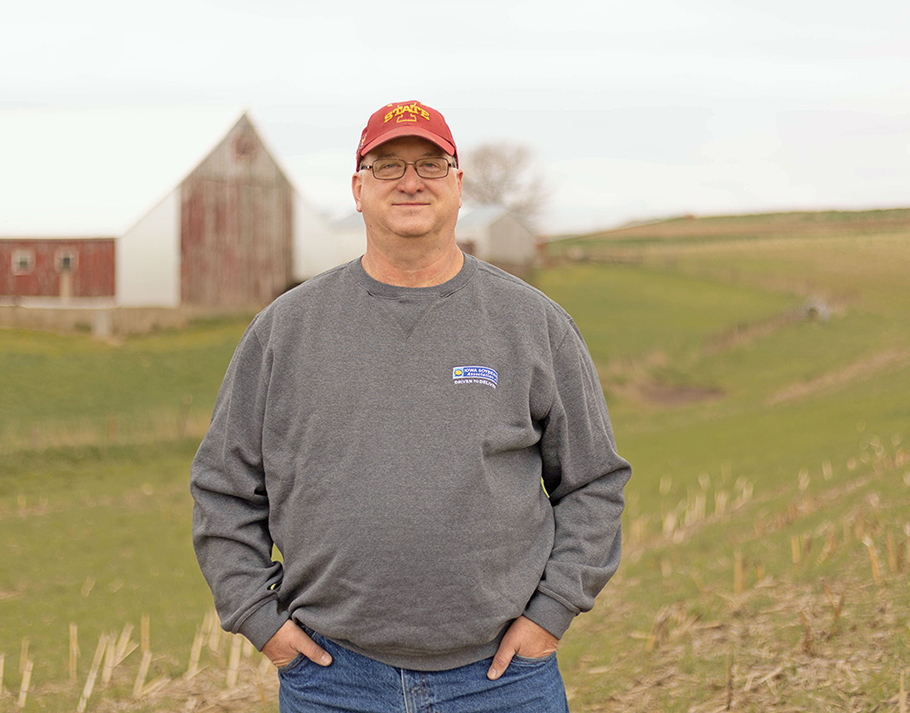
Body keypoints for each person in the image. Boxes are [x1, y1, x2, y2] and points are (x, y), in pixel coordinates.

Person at [191, 100, 631, 712]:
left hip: (503, 680)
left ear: (458, 184)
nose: (410, 181)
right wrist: (262, 624)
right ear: (358, 188)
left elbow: (594, 482)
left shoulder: (531, 323)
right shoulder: (286, 330)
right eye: (387, 166)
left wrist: (551, 615)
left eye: (430, 163)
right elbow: (224, 487)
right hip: (331, 678)